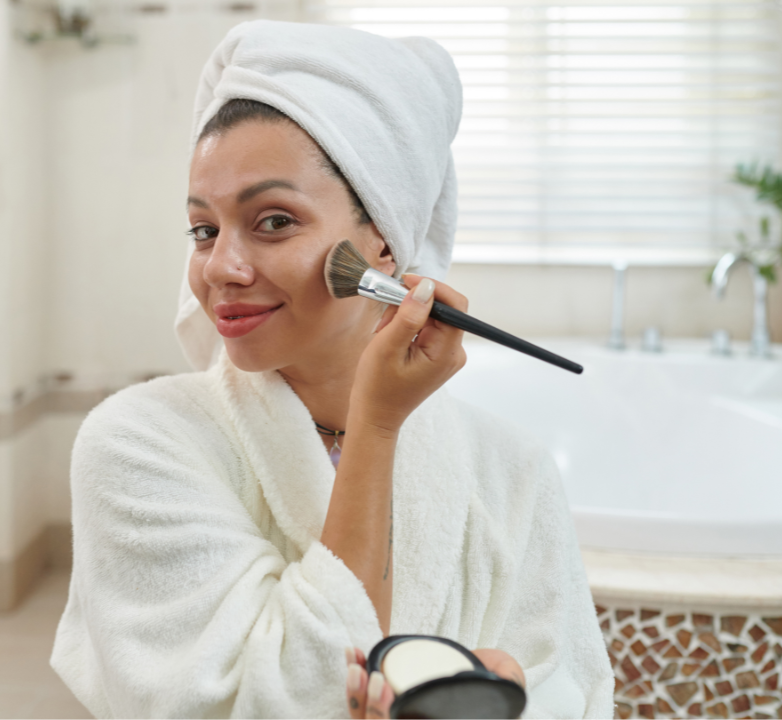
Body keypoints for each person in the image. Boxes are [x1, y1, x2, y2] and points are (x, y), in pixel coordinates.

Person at [50, 20, 614, 719]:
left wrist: (509, 701)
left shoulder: (512, 470)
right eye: (204, 229)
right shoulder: (138, 444)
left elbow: (572, 690)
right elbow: (264, 701)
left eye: (274, 221)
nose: (221, 267)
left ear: (381, 242)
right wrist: (374, 428)